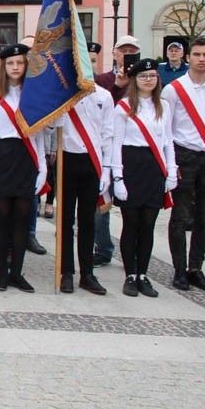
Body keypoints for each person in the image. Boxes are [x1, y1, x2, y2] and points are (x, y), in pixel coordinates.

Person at [0, 44, 46, 292]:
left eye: (20, 63)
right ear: (3, 67)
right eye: (11, 63)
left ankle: (17, 271)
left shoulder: (34, 95)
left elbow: (38, 134)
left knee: (22, 218)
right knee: (2, 217)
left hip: (26, 157)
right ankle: (2, 273)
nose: (16, 67)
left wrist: (43, 168)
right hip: (1, 157)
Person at [111, 58, 176, 297]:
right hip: (131, 166)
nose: (148, 80)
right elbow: (116, 143)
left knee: (148, 225)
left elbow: (168, 140)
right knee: (131, 224)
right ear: (134, 80)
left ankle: (143, 274)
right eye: (143, 76)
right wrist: (117, 177)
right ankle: (130, 274)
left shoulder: (164, 106)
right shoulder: (124, 106)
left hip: (154, 168)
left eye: (152, 76)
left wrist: (171, 170)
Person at [162, 37, 205, 292]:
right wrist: (170, 162)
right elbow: (165, 128)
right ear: (188, 58)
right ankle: (179, 270)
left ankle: (195, 268)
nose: (201, 59)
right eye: (197, 54)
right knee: (180, 216)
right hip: (183, 154)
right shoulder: (174, 90)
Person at [55, 60, 114, 295]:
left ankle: (87, 273)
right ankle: (66, 271)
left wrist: (107, 170)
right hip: (67, 158)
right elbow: (50, 127)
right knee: (65, 220)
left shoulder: (104, 96)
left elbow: (108, 134)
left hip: (93, 162)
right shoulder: (63, 94)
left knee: (87, 221)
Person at [93, 35, 141, 267]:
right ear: (114, 53)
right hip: (106, 149)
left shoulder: (146, 79)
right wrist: (116, 87)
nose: (126, 54)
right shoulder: (102, 79)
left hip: (134, 151)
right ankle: (103, 248)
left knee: (135, 206)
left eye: (132, 51)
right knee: (101, 203)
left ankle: (134, 252)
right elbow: (98, 110)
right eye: (123, 50)